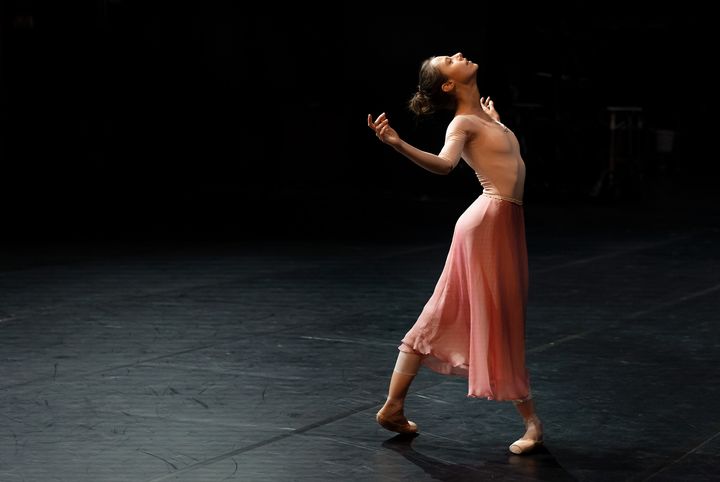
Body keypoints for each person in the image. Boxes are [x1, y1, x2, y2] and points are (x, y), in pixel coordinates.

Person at [367, 52, 543, 455]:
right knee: (497, 318)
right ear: (448, 84)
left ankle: (393, 406)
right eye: (448, 59)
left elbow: (506, 162)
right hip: (487, 223)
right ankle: (532, 421)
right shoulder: (461, 123)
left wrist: (496, 121)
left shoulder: (483, 117)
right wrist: (397, 143)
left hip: (503, 224)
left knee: (458, 313)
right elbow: (446, 165)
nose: (457, 54)